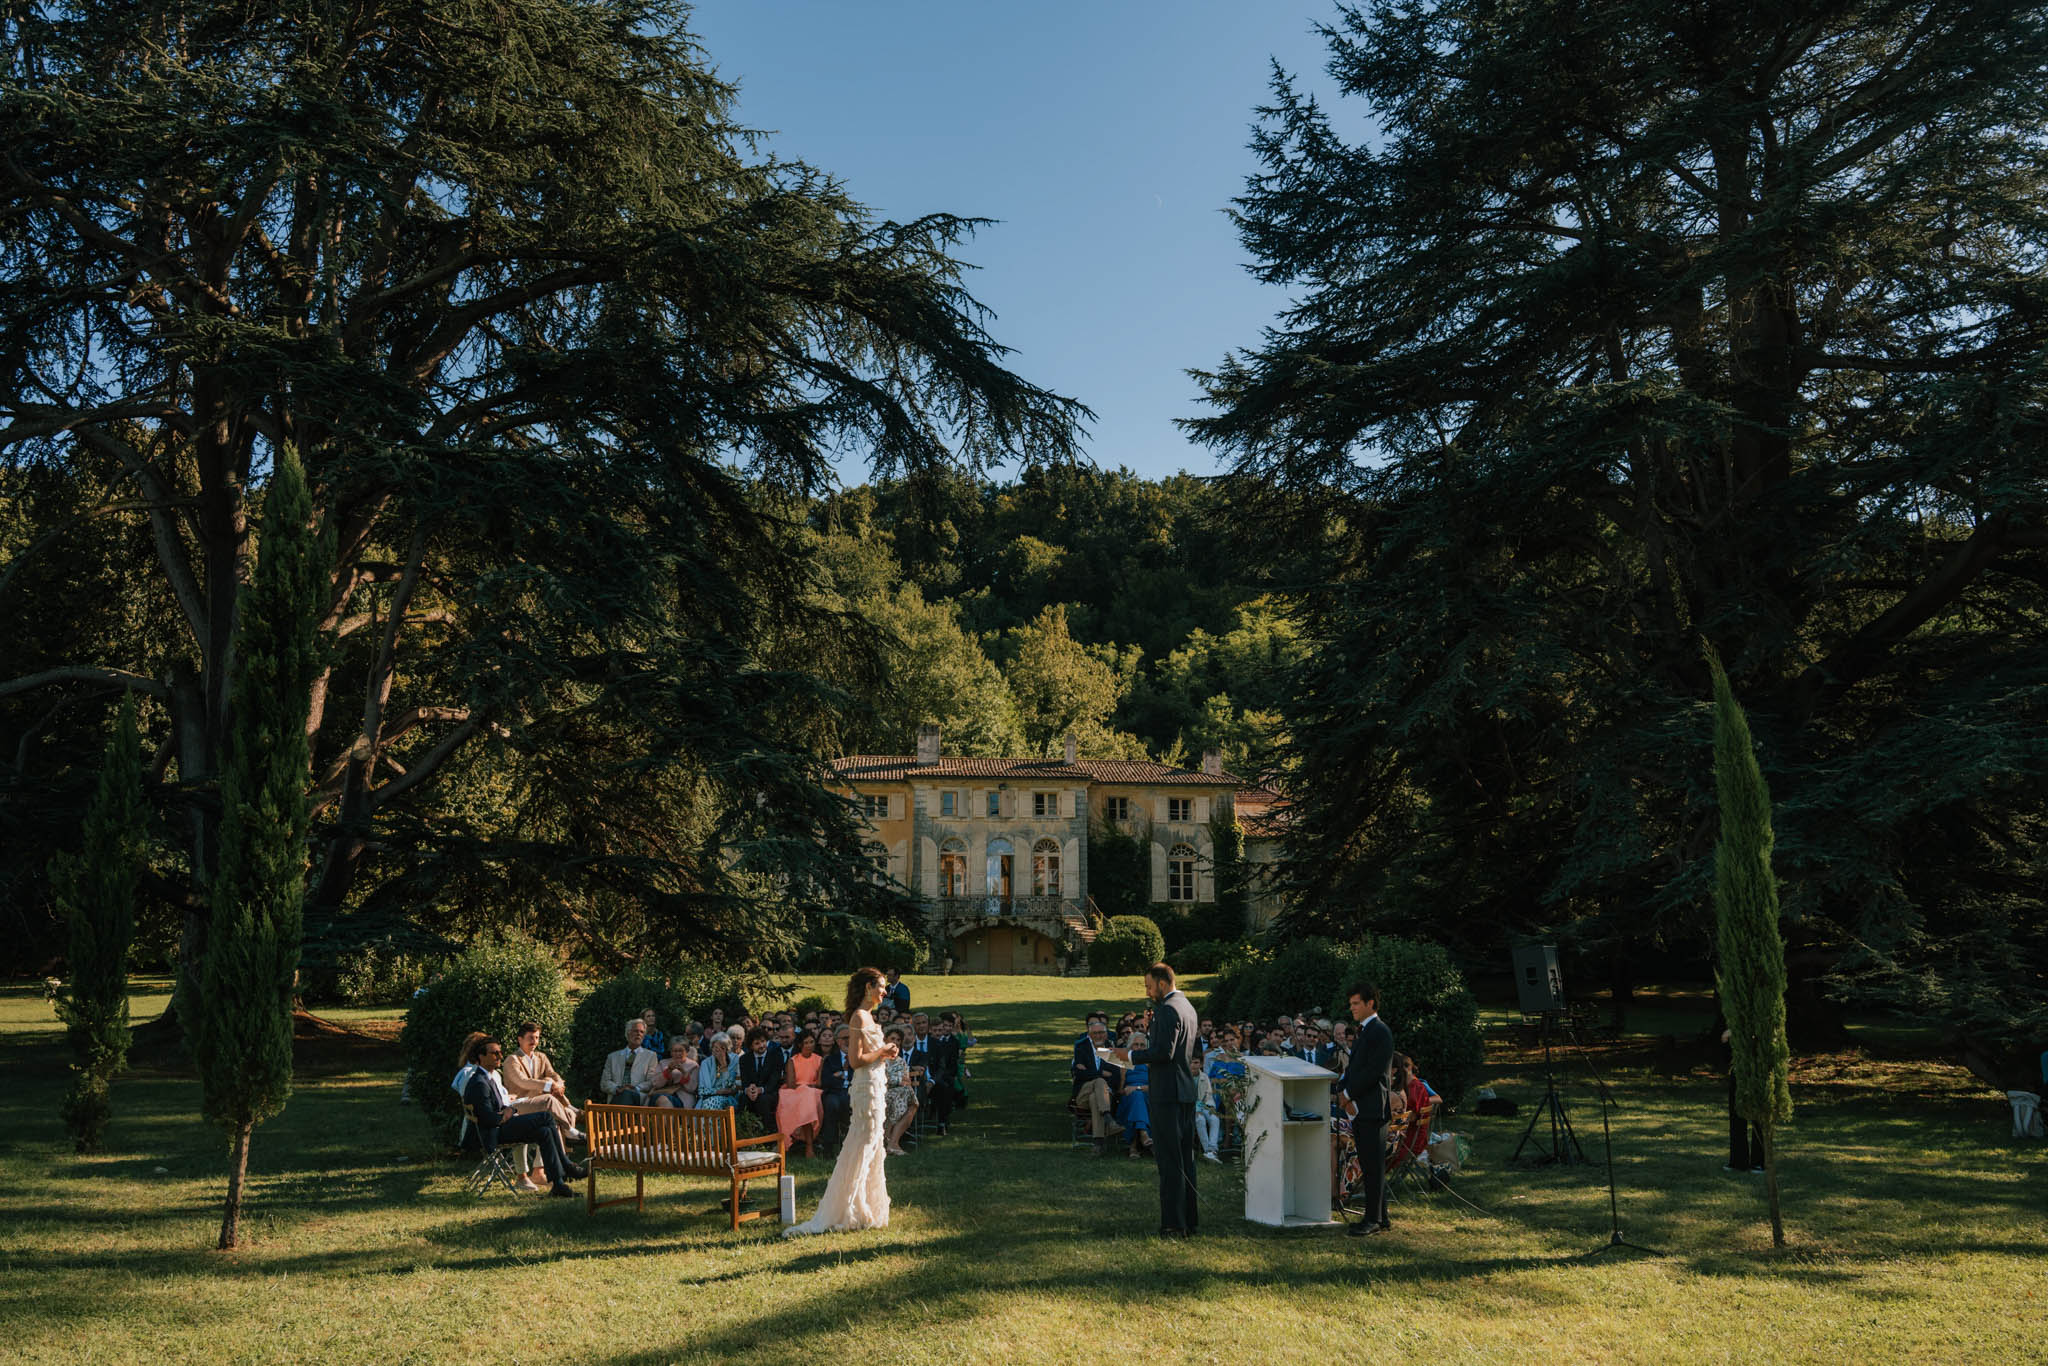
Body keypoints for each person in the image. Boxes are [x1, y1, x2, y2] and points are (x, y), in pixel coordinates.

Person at [786, 967, 897, 1236]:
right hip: (865, 1087)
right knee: (863, 1143)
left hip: (875, 1084)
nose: (885, 991)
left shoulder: (868, 1016)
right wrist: (883, 1050)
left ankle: (865, 1205)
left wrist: (884, 1054)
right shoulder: (858, 1017)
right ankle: (847, 1208)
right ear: (868, 987)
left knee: (872, 1144)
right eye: (881, 986)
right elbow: (855, 1060)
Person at [1114, 962, 1201, 1237]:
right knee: (1186, 1158)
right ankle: (1189, 1219)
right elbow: (1172, 1049)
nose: (1148, 991)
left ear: (1163, 983)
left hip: (1167, 1094)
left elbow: (1163, 1053)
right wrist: (1152, 1030)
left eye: (1149, 986)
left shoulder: (1167, 1009)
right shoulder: (1187, 1006)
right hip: (1185, 1091)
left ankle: (1173, 1224)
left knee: (1169, 1161)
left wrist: (1130, 1056)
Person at [458, 1036, 584, 1198]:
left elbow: (497, 1108)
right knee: (545, 1117)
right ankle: (567, 1165)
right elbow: (489, 1119)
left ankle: (558, 1185)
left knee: (545, 1131)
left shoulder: (488, 1077)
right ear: (481, 1057)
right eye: (494, 1053)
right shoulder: (479, 1083)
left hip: (499, 1127)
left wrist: (508, 1109)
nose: (500, 1056)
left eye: (500, 1052)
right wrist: (509, 1112)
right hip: (492, 1134)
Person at [1340, 980, 1395, 1237]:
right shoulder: (1364, 1031)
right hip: (1362, 1108)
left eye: (1356, 1003)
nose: (1351, 1008)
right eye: (1350, 1004)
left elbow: (1374, 1071)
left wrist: (1349, 1093)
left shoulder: (1380, 1031)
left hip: (1373, 1107)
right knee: (1370, 1163)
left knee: (1372, 1166)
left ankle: (1372, 1219)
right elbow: (1356, 1068)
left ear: (1370, 1003)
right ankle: (1381, 1216)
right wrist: (1341, 1084)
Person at [501, 1021, 584, 1144]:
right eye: (530, 1037)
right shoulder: (512, 1060)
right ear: (520, 1039)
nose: (534, 1041)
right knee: (548, 1082)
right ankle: (571, 1125)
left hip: (540, 1102)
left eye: (537, 1037)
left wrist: (559, 1084)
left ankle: (557, 1159)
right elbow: (523, 1082)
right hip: (518, 1104)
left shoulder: (541, 1057)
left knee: (568, 1114)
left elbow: (553, 1074)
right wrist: (550, 1084)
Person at [1071, 1017, 1125, 1154]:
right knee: (1100, 1081)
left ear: (1106, 1034)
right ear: (1089, 1034)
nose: (1099, 1035)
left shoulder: (1110, 1050)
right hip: (1082, 1094)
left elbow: (1115, 1076)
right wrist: (1100, 1073)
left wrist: (1088, 1072)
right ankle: (1109, 1120)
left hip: (1104, 1096)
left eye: (1101, 1032)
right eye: (1095, 1033)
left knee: (1095, 1098)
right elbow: (1078, 1073)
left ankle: (1098, 1144)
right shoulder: (1082, 1048)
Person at [777, 1030, 826, 1158]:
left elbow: (819, 1082)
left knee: (808, 1097)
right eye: (806, 1043)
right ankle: (804, 1143)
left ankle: (808, 1144)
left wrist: (807, 1087)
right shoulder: (793, 1060)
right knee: (803, 1097)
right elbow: (791, 1083)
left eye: (811, 1042)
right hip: (794, 1092)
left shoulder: (819, 1060)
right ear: (800, 1045)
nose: (809, 1045)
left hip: (813, 1092)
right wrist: (805, 1086)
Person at [602, 1018, 661, 1104]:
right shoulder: (613, 1057)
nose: (638, 1034)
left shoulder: (651, 1056)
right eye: (635, 1031)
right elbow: (604, 1082)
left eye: (641, 1032)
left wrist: (635, 1088)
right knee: (624, 1095)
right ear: (628, 1033)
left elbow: (651, 1081)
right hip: (616, 1097)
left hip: (638, 1097)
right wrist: (618, 1089)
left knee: (627, 1094)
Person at [738, 1027, 784, 1134]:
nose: (762, 1045)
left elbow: (774, 1080)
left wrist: (760, 1090)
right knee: (743, 1099)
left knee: (762, 1100)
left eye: (763, 1041)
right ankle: (744, 1134)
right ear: (751, 1046)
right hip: (752, 1092)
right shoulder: (744, 1059)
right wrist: (749, 1090)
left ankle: (768, 1134)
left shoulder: (776, 1056)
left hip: (770, 1092)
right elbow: (745, 1081)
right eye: (757, 1043)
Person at [881, 1025, 919, 1154]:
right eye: (892, 1038)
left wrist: (896, 1081)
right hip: (882, 1093)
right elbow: (883, 1081)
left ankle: (891, 1142)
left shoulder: (901, 1061)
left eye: (898, 1040)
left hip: (899, 1093)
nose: (895, 1042)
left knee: (910, 1102)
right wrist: (898, 1081)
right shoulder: (879, 1059)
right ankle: (892, 1142)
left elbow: (907, 1080)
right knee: (909, 1099)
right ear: (885, 1040)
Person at [1116, 1031, 1153, 1158]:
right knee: (1136, 1098)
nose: (1139, 1048)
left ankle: (1133, 1147)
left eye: (1142, 1045)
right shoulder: (1124, 1062)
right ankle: (1143, 1135)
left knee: (1138, 1096)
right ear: (1130, 1046)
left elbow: (1157, 1087)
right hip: (1128, 1099)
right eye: (1136, 1045)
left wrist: (1138, 1087)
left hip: (1149, 1097)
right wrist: (1124, 1087)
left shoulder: (1151, 1063)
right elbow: (1120, 1090)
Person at [819, 1024, 853, 1152]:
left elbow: (858, 1077)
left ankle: (849, 1142)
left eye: (851, 1037)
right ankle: (829, 1144)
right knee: (832, 1103)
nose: (848, 1041)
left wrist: (841, 1074)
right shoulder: (830, 1060)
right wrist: (845, 1076)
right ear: (838, 1041)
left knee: (848, 1101)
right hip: (834, 1093)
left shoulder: (858, 1058)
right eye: (845, 1038)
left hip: (853, 1092)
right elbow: (826, 1081)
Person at [649, 1037, 699, 1109]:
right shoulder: (663, 1063)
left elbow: (693, 1088)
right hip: (661, 1095)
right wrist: (668, 1070)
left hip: (683, 1099)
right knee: (662, 1100)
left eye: (681, 1051)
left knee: (664, 1102)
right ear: (671, 1052)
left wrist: (684, 1072)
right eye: (675, 1051)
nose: (678, 1054)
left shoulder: (693, 1066)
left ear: (687, 1051)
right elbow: (655, 1083)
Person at [697, 1034, 740, 1110]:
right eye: (715, 1047)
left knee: (711, 1102)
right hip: (709, 1098)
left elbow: (733, 1088)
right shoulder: (706, 1063)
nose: (718, 1050)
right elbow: (702, 1090)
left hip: (730, 1099)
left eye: (722, 1048)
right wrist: (719, 1091)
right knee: (709, 1102)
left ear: (727, 1049)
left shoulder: (735, 1060)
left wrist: (724, 1065)